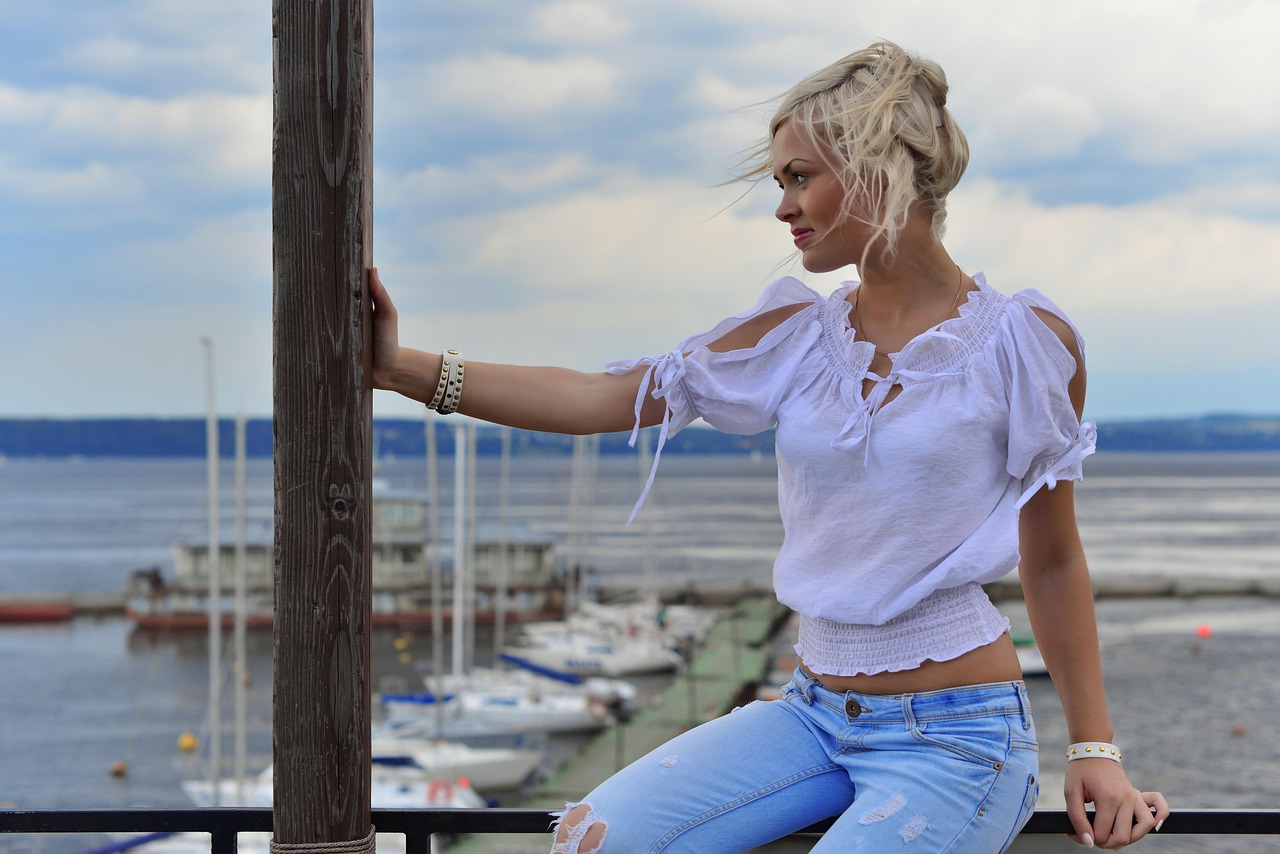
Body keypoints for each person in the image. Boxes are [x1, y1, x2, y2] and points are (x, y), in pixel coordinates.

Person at [369, 39, 1169, 853]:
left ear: (877, 167)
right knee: (593, 838)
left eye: (799, 177)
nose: (782, 206)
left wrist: (1093, 748)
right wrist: (403, 369)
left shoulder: (1023, 344)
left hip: (958, 740)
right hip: (813, 716)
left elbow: (1054, 558)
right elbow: (602, 396)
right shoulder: (794, 335)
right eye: (780, 181)